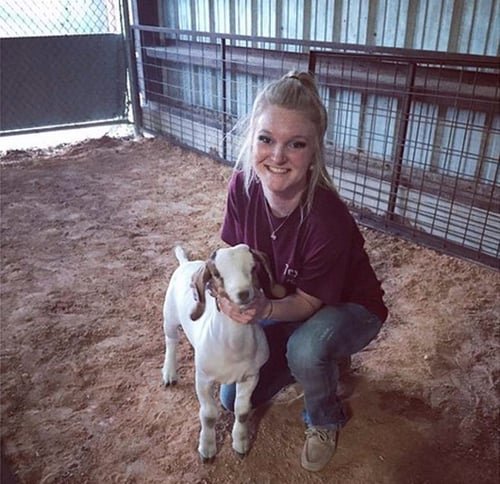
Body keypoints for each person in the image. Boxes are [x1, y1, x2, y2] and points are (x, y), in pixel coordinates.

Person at [216, 71, 388, 473]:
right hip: (284, 299)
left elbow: (309, 303)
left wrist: (262, 311)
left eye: (296, 144)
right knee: (231, 398)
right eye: (266, 139)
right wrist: (225, 295)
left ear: (314, 152)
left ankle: (324, 417)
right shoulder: (241, 187)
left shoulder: (327, 217)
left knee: (306, 348)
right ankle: (318, 364)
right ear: (252, 139)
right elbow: (234, 256)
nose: (277, 156)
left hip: (348, 306)